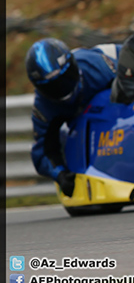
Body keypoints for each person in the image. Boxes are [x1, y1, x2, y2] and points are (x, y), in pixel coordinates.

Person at [26, 39, 121, 197]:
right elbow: (42, 150)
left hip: (120, 59)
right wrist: (60, 174)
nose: (61, 88)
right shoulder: (44, 106)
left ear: (74, 67)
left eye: (65, 78)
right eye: (51, 86)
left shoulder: (99, 68)